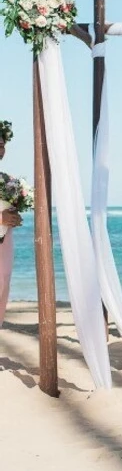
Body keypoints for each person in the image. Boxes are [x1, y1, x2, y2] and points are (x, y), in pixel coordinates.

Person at [0, 121, 23, 327]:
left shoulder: (9, 181)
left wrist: (15, 218)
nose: (0, 150)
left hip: (5, 244)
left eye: (1, 145)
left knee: (3, 287)